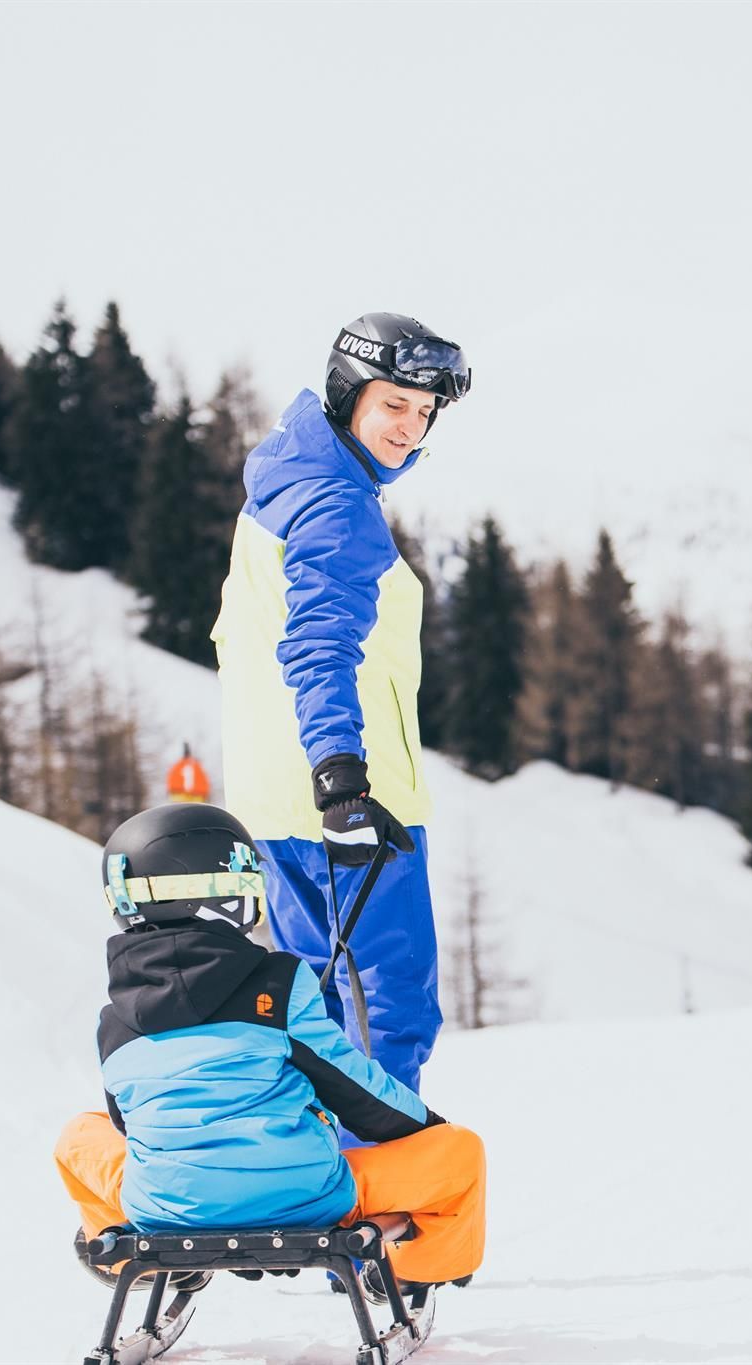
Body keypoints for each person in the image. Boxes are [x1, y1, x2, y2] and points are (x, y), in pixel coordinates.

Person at [53, 802, 486, 1294]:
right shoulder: (279, 985)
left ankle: (139, 1262)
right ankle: (413, 1272)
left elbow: (127, 1125)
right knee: (460, 1152)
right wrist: (426, 1127)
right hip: (302, 1198)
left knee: (78, 1137)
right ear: (226, 891)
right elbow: (357, 1091)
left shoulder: (115, 1021)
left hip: (168, 1209)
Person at [211, 312, 471, 1091]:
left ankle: (321, 1160)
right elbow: (319, 645)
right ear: (348, 392)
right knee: (389, 1009)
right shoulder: (337, 506)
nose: (410, 427)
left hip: (275, 807)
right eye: (394, 404)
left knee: (314, 1010)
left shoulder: (284, 484)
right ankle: (382, 1166)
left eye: (423, 412)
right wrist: (342, 782)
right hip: (351, 809)